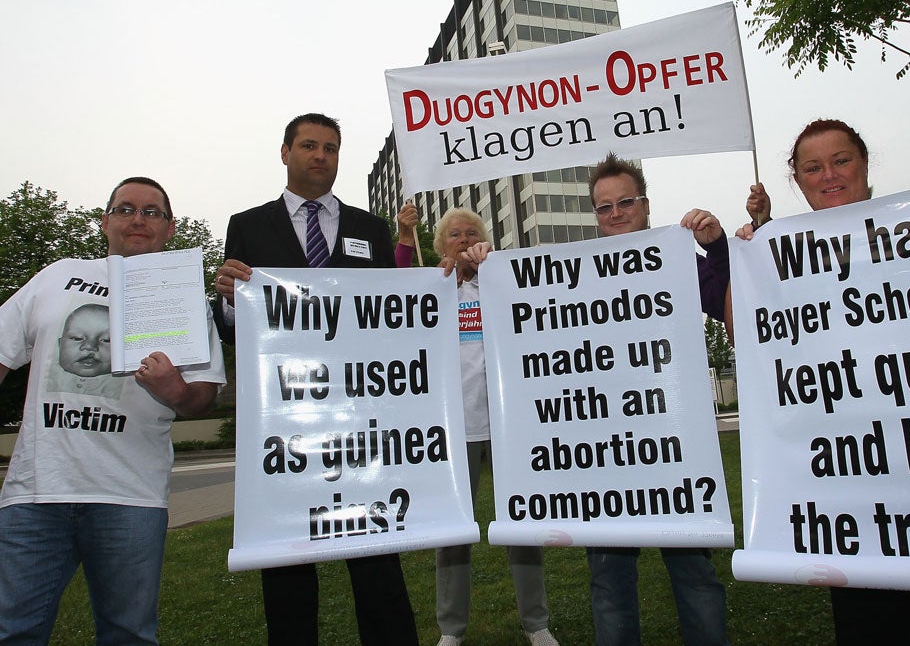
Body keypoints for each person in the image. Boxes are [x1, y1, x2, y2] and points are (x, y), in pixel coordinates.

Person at [732, 118, 910, 644]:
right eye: (812, 167)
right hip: (859, 503)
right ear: (797, 181)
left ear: (865, 165)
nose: (829, 175)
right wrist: (753, 260)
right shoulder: (780, 258)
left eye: (841, 160)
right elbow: (750, 339)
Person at [212, 112, 418, 646]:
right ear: (285, 152)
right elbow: (238, 327)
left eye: (330, 147)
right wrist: (230, 302)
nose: (320, 156)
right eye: (308, 145)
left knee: (376, 558)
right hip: (284, 418)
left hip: (359, 416)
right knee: (286, 563)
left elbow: (391, 319)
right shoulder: (248, 226)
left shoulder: (370, 229)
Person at [0, 176, 225, 644]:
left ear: (171, 228)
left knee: (129, 634)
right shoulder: (57, 275)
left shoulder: (184, 299)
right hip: (37, 491)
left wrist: (175, 390)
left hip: (131, 495)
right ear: (105, 222)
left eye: (151, 212)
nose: (138, 219)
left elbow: (204, 396)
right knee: (14, 629)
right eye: (125, 209)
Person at [585, 153, 731, 646]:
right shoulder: (573, 275)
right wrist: (484, 265)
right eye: (604, 207)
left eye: (625, 202)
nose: (616, 214)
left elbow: (723, 300)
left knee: (693, 572)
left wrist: (715, 247)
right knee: (608, 580)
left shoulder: (677, 258)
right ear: (595, 215)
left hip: (676, 441)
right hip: (601, 449)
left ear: (645, 205)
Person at [429, 207, 559, 646]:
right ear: (441, 245)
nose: (463, 240)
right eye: (454, 235)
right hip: (456, 428)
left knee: (522, 525)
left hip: (508, 426)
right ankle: (451, 629)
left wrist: (488, 272)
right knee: (454, 532)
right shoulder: (432, 290)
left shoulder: (500, 284)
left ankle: (536, 623)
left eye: (472, 233)